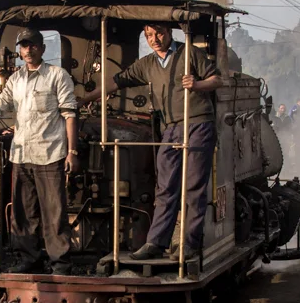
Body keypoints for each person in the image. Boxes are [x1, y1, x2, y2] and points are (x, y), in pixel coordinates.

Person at [80, 23, 222, 261]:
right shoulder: (146, 64)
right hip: (171, 127)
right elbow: (116, 81)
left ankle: (188, 244)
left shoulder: (189, 53)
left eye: (158, 34)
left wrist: (197, 85)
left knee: (193, 187)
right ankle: (156, 242)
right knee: (165, 186)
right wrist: (85, 99)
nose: (154, 39)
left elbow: (217, 79)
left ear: (169, 33)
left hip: (198, 123)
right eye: (148, 35)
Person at [0, 28, 79, 274]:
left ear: (42, 48)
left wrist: (72, 152)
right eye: (24, 46)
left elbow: (70, 115)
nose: (28, 50)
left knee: (54, 214)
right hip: (21, 156)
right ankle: (29, 259)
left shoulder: (57, 76)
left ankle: (61, 263)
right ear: (19, 51)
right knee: (23, 213)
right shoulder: (15, 80)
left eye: (32, 45)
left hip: (50, 155)